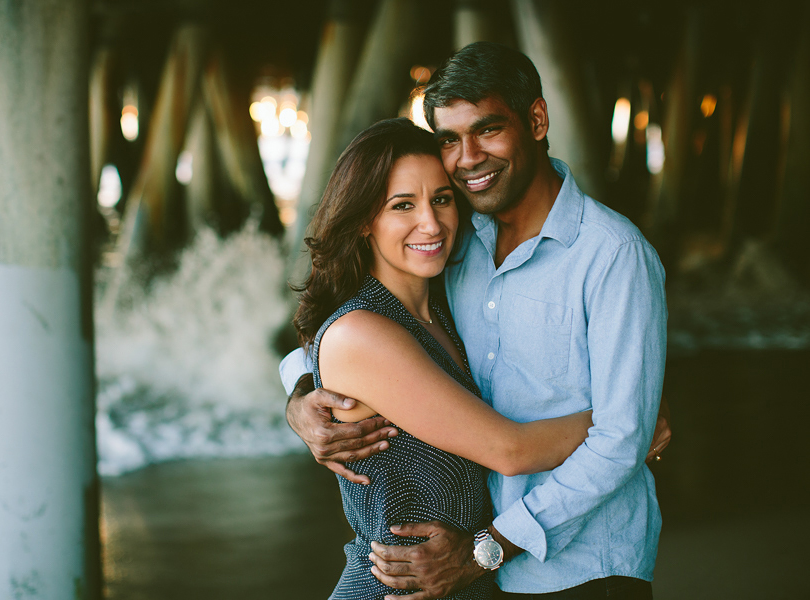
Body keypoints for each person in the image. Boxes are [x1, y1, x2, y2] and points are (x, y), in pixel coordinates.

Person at [282, 42, 669, 599]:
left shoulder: (612, 254)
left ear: (536, 120)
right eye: (449, 139)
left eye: (488, 129)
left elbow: (615, 442)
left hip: (583, 568)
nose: (467, 158)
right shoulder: (458, 252)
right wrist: (300, 401)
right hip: (457, 575)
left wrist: (627, 420)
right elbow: (342, 335)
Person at [294, 117, 597, 600]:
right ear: (364, 220)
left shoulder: (442, 306)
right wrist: (624, 425)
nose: (431, 224)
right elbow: (510, 451)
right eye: (402, 206)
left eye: (441, 198)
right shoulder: (362, 332)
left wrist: (297, 397)